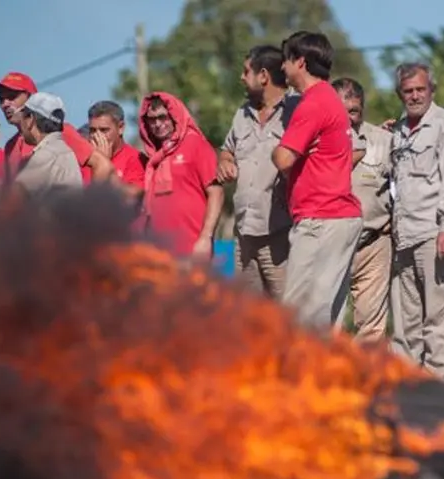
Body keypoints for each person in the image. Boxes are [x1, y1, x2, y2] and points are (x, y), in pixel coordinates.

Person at [271, 31, 363, 330]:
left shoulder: (313, 104)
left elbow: (283, 159)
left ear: (300, 62)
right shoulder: (329, 100)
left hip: (321, 219)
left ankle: (295, 377)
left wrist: (279, 150)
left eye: (285, 60)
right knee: (325, 319)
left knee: (299, 316)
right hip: (336, 218)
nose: (282, 68)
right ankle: (323, 376)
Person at [389, 61, 444, 384]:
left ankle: (440, 377)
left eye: (420, 89)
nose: (415, 95)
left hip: (432, 232)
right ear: (400, 94)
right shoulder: (397, 130)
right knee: (406, 316)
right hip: (403, 234)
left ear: (432, 90)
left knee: (438, 312)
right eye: (408, 91)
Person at [217, 45, 295, 298]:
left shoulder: (297, 110)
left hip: (281, 235)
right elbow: (227, 150)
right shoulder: (242, 114)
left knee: (288, 317)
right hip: (243, 235)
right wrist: (226, 161)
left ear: (263, 75)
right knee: (250, 318)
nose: (241, 77)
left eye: (246, 71)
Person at [332, 76, 393, 342]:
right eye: (340, 111)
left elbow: (403, 185)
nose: (348, 118)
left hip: (374, 245)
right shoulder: (315, 140)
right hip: (330, 245)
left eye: (354, 111)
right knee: (327, 326)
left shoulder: (383, 140)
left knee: (372, 329)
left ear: (363, 110)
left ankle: (367, 383)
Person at [0, 72, 114, 187]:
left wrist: (90, 207)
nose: (5, 104)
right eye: (1, 99)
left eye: (11, 97)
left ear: (32, 99)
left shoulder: (59, 132)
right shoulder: (11, 146)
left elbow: (102, 165)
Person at [137, 92, 223, 259]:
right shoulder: (153, 159)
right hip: (160, 256)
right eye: (152, 119)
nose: (158, 124)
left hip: (193, 251)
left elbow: (216, 193)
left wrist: (206, 238)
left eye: (163, 117)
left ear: (174, 116)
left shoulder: (196, 145)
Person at [12, 92, 83, 201]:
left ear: (30, 119)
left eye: (23, 116)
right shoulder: (64, 151)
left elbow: (13, 201)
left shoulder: (46, 155)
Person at [87, 100, 145, 191]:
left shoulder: (137, 160)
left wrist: (104, 164)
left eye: (104, 130)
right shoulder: (84, 159)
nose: (97, 136)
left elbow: (132, 197)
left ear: (120, 128)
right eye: (92, 130)